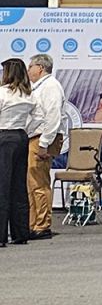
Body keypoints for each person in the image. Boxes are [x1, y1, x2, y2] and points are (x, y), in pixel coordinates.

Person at [27, 51, 66, 240]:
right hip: (36, 137)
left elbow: (53, 116)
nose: (28, 70)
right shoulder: (40, 87)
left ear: (40, 68)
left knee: (39, 182)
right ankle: (33, 223)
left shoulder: (51, 86)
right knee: (32, 183)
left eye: (30, 66)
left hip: (42, 138)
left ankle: (42, 225)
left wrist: (44, 143)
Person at [0, 56, 38, 247]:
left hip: (3, 137)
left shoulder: (2, 93)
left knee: (2, 187)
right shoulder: (28, 94)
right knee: (18, 186)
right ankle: (20, 233)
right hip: (21, 137)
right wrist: (26, 131)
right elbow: (38, 118)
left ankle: (0, 236)